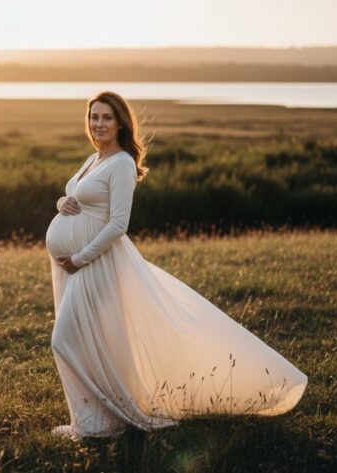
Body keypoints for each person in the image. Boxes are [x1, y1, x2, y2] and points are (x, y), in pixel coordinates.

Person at [45, 91, 308, 441]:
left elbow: (118, 224)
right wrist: (64, 201)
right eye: (94, 117)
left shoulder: (121, 162)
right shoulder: (95, 158)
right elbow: (79, 195)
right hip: (76, 266)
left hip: (96, 264)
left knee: (64, 339)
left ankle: (104, 418)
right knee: (92, 340)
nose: (99, 123)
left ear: (121, 122)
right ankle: (94, 421)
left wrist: (79, 258)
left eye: (107, 117)